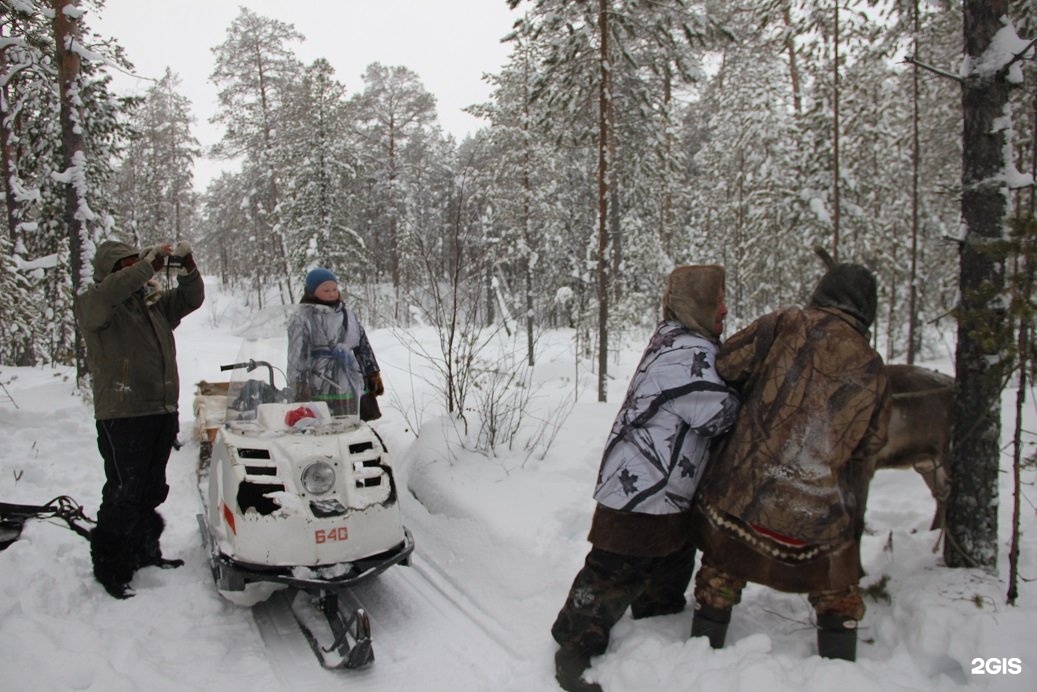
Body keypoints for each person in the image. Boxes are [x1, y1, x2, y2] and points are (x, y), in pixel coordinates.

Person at [688, 261, 892, 662]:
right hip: (813, 508)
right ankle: (838, 664)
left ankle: (703, 650)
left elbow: (726, 363)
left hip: (742, 495)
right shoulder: (872, 365)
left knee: (721, 569)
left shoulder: (785, 322)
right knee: (838, 589)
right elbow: (872, 444)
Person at [551, 266, 739, 692]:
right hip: (641, 493)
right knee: (611, 574)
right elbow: (720, 416)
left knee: (667, 569)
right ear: (698, 305)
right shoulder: (685, 353)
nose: (726, 308)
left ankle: (655, 633)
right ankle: (573, 655)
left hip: (660, 489)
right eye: (718, 299)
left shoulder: (682, 339)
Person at [74, 239, 204, 599]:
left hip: (160, 409)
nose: (138, 270)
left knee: (151, 488)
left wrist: (188, 268)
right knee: (124, 492)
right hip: (124, 411)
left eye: (139, 263)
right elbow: (108, 295)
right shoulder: (97, 304)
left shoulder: (152, 305)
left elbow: (191, 299)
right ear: (113, 270)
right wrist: (147, 264)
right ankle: (112, 568)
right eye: (128, 264)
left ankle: (145, 551)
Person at [287, 268, 383, 420]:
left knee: (353, 420)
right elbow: (297, 355)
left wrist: (372, 372)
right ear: (311, 292)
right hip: (319, 381)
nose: (331, 293)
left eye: (334, 289)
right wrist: (299, 384)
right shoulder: (303, 318)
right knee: (322, 419)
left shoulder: (349, 315)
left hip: (350, 378)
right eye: (325, 290)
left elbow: (363, 346)